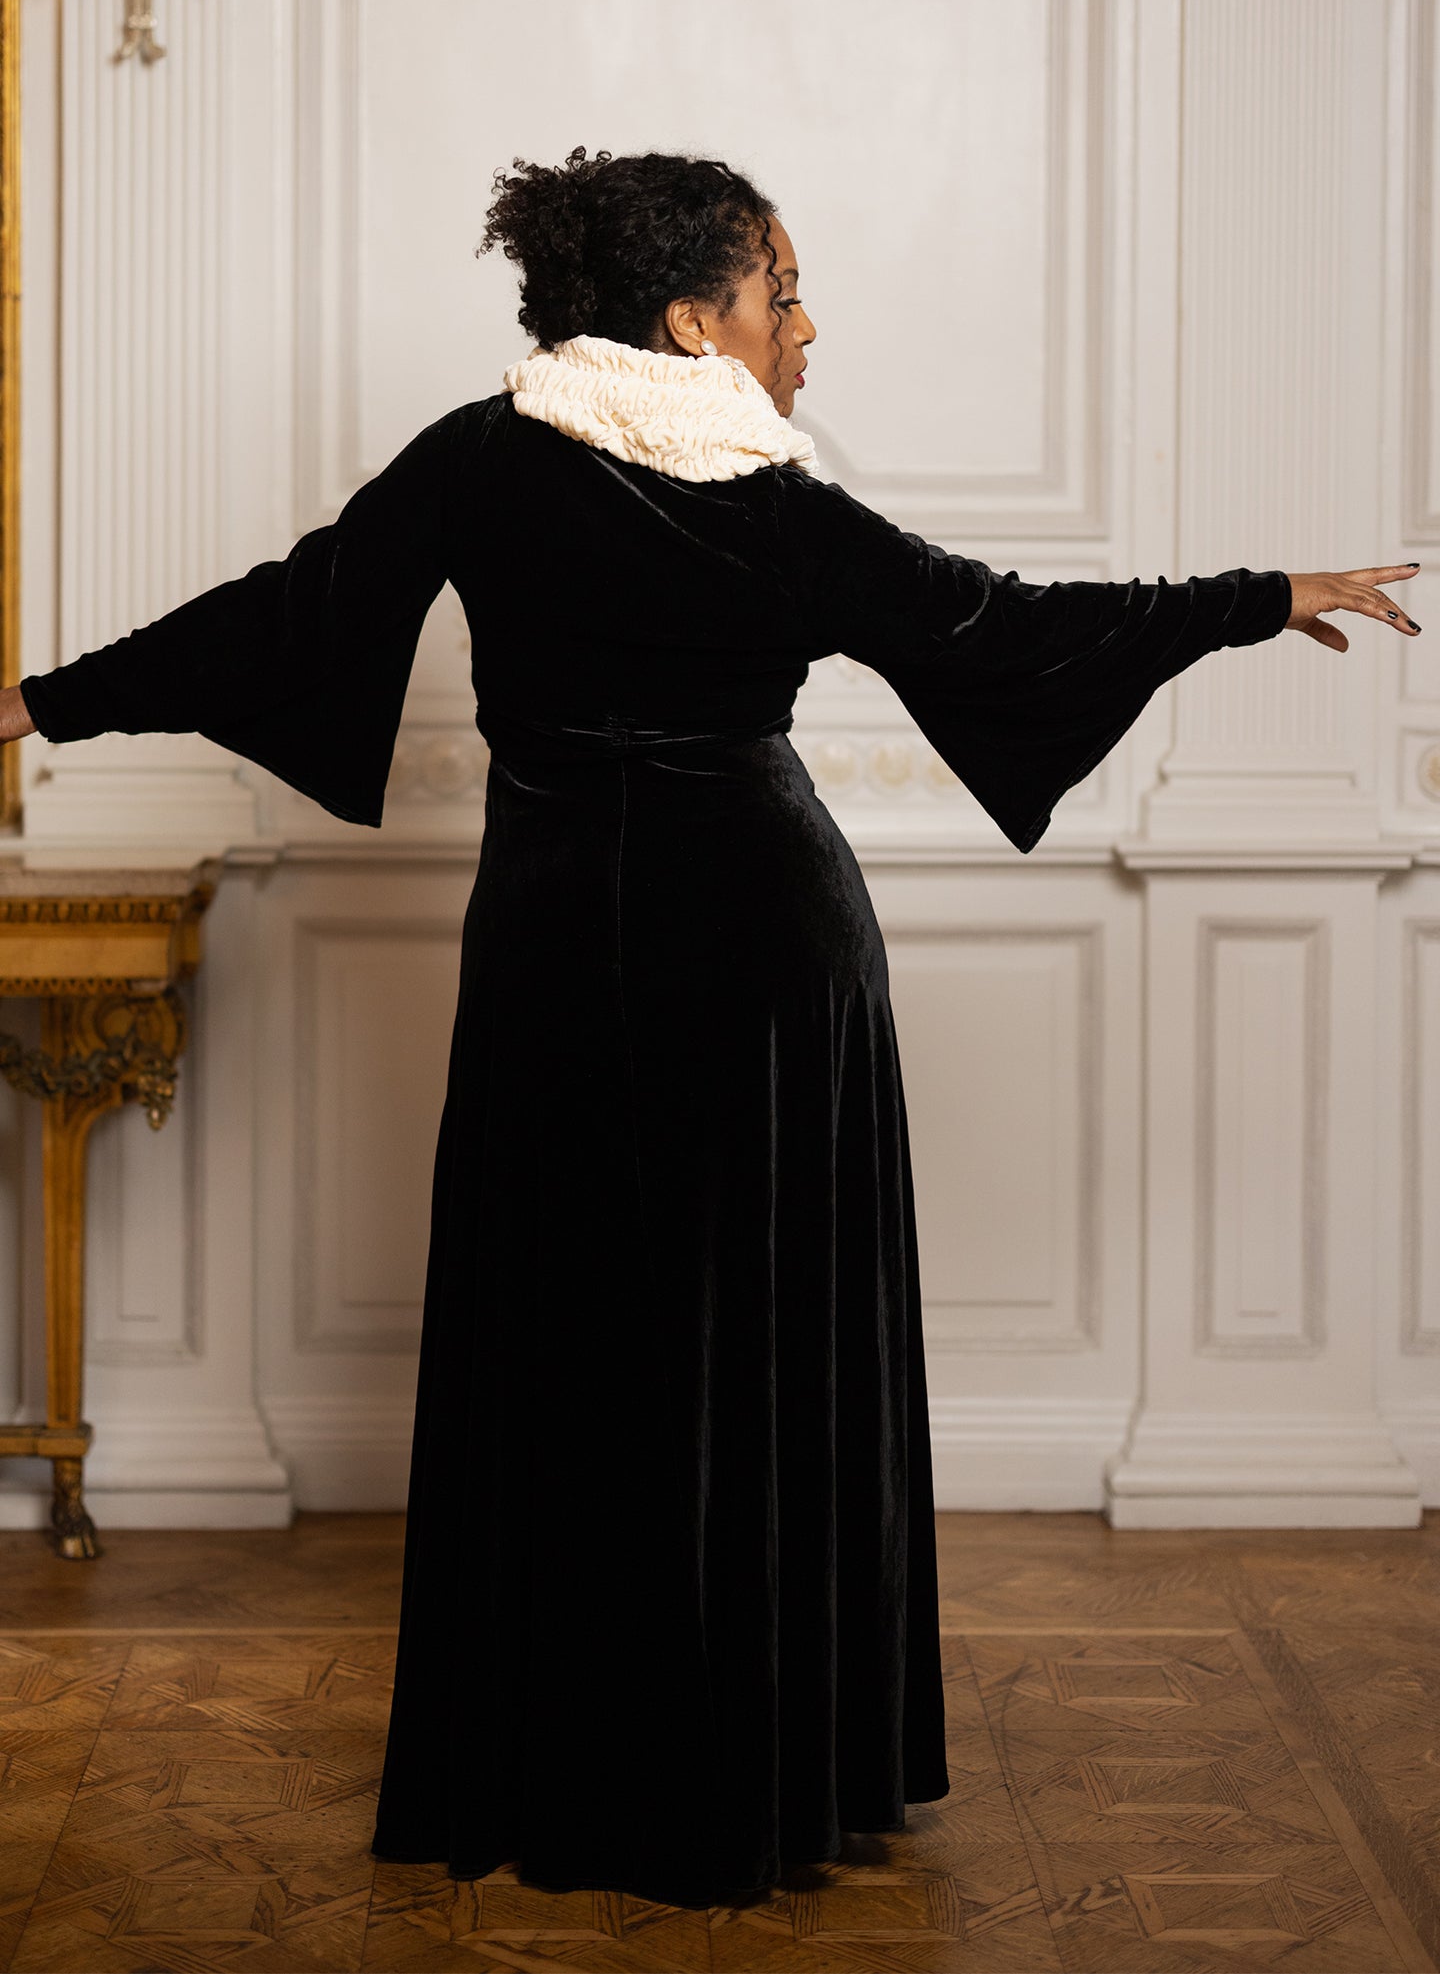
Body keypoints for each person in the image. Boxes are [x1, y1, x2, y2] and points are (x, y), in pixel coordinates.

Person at [0, 145, 1420, 1910]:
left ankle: (570, 1763)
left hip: (582, 944)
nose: (806, 329)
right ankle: (739, 1765)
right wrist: (1259, 597)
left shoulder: (491, 456)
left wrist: (38, 702)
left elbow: (289, 613)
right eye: (783, 294)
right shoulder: (768, 500)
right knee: (736, 1344)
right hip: (760, 949)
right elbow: (1001, 630)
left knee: (579, 1340)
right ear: (692, 320)